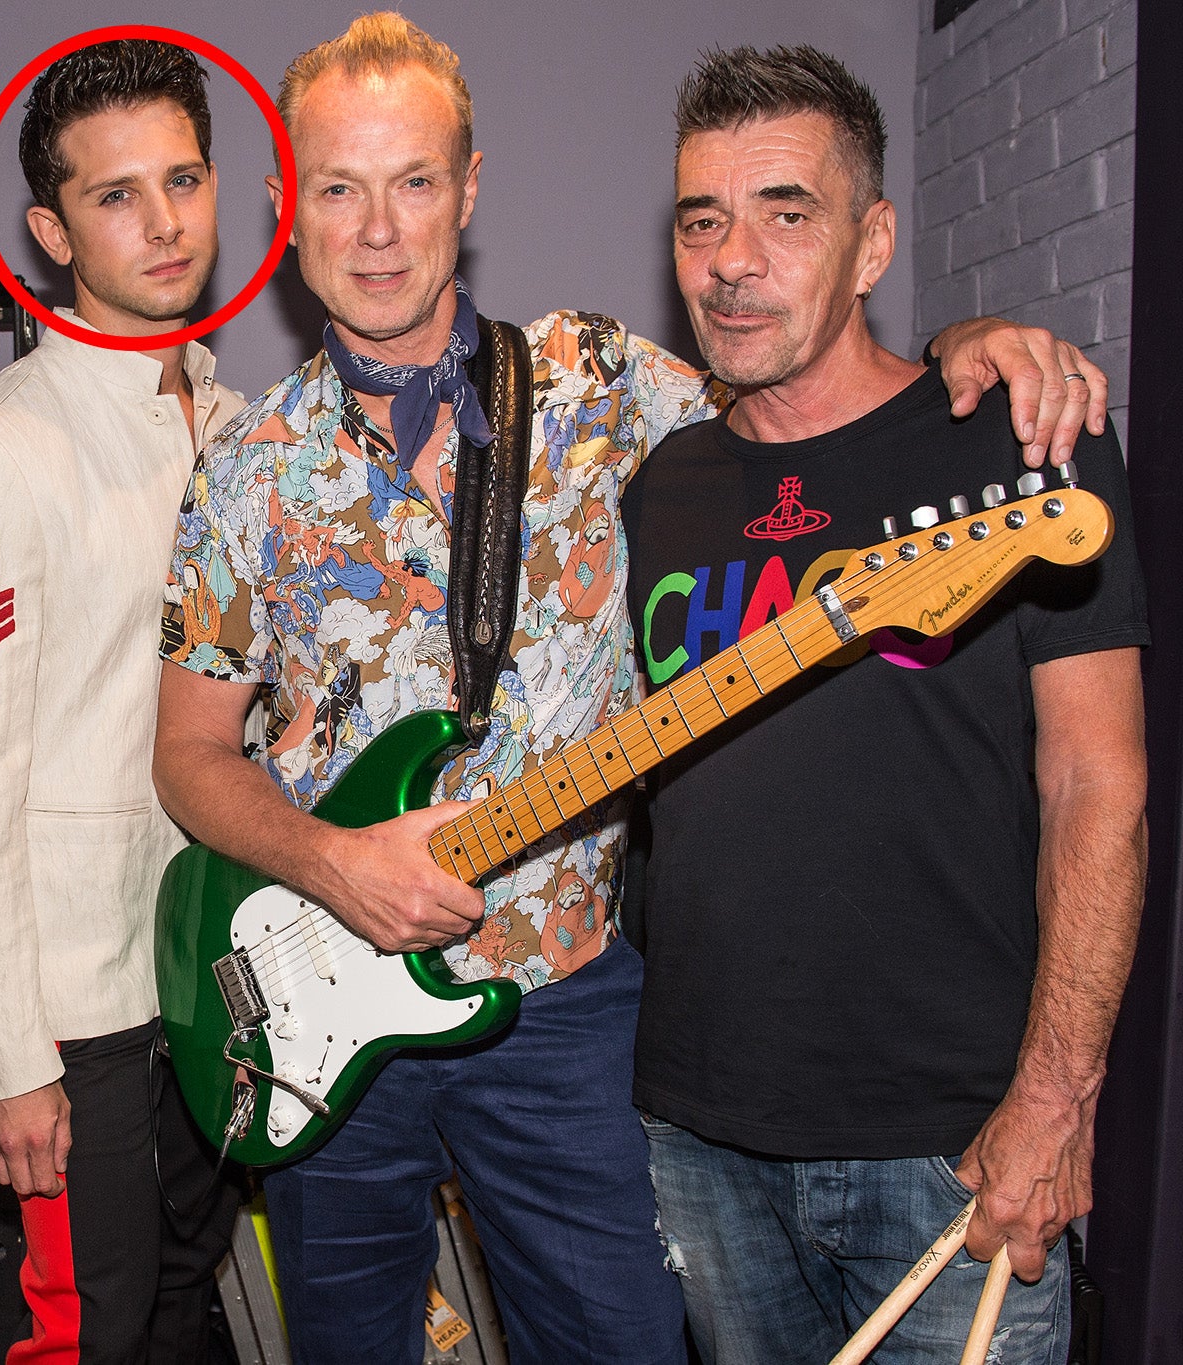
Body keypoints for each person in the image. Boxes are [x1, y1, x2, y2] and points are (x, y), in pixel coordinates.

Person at [149, 14, 1109, 1364]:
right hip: (318, 1005)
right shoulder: (240, 463)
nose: (377, 230)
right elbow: (190, 755)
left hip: (566, 1008)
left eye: (415, 181)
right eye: (338, 188)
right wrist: (326, 860)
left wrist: (972, 340)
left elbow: (810, 370)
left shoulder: (604, 382)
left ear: (469, 191)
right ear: (283, 206)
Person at [623, 46, 1147, 1364]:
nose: (733, 258)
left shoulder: (1018, 443)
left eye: (786, 212)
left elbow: (1103, 788)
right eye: (702, 219)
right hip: (696, 1135)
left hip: (957, 1148)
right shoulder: (658, 487)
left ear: (873, 243)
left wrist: (1055, 1097)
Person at [0, 38, 244, 1363]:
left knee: (178, 1311)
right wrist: (2, 1053)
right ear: (50, 229)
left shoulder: (239, 423)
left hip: (216, 973)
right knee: (94, 1336)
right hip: (76, 1012)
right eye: (116, 195)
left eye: (185, 179)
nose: (164, 223)